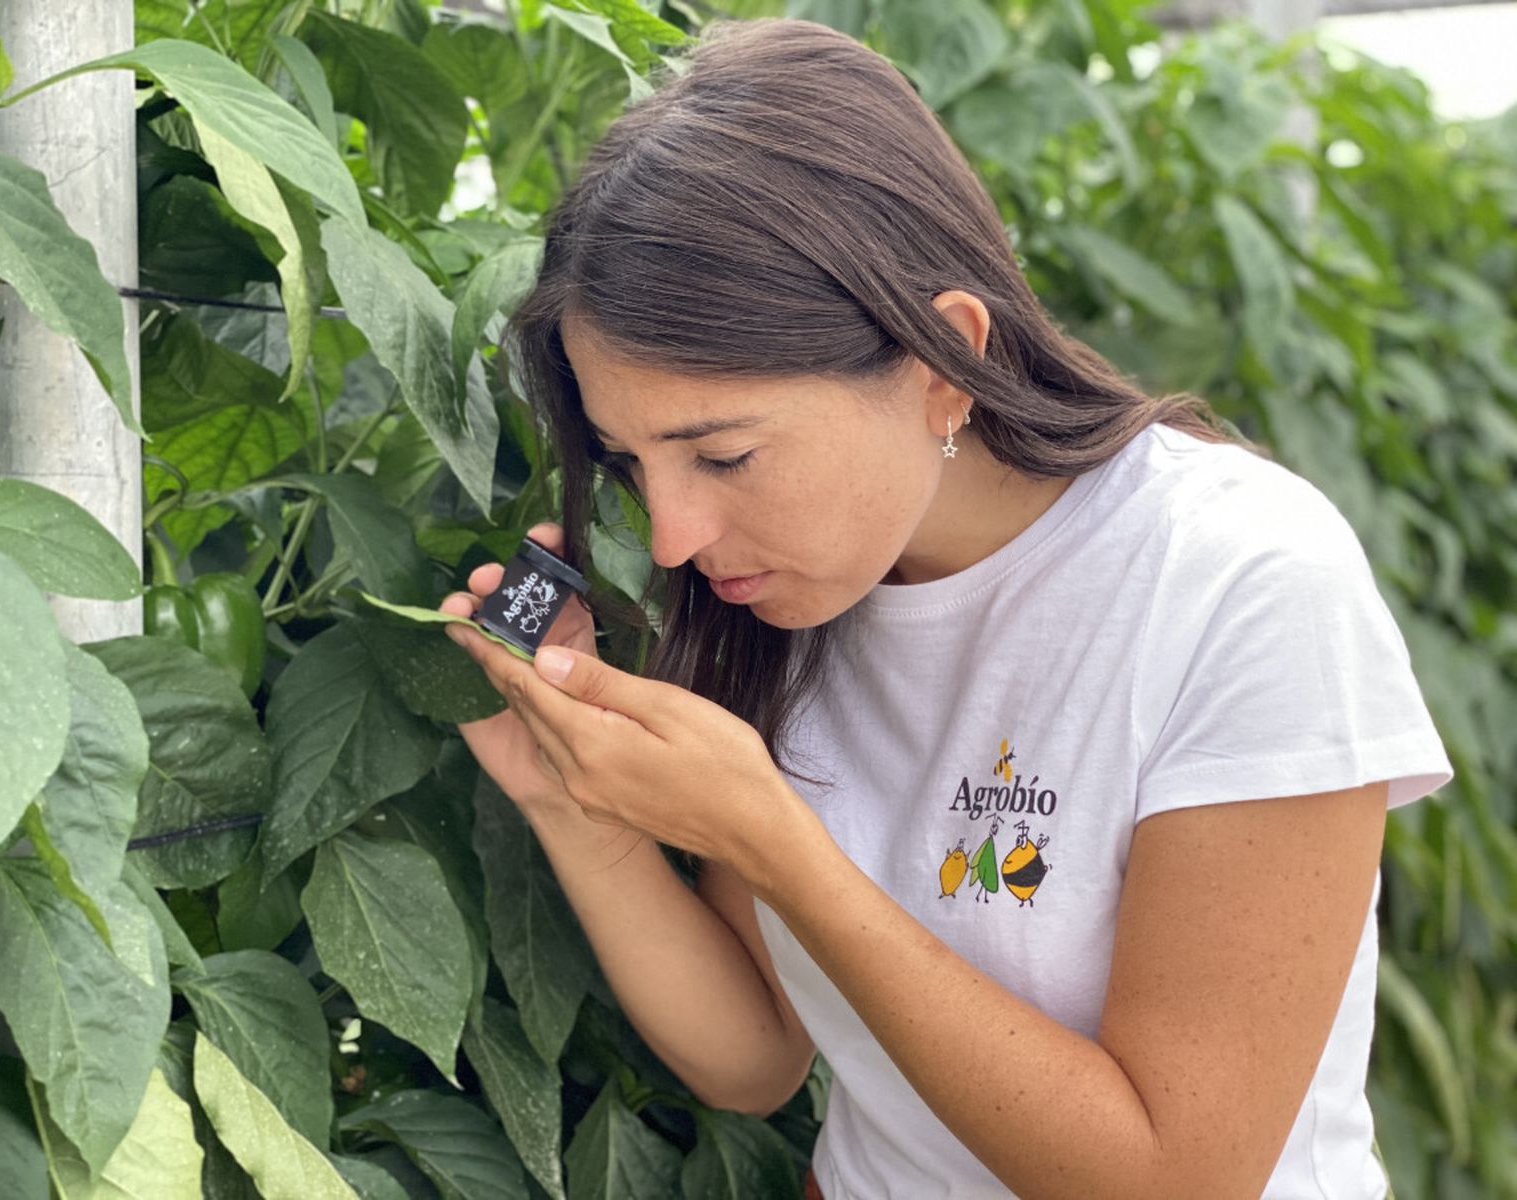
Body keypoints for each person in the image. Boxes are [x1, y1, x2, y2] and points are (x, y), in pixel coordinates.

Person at [437, 16, 1453, 1199]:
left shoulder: (1238, 581)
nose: (672, 537)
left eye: (721, 456)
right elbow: (757, 1055)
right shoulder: (794, 602)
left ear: (938, 360)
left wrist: (772, 837)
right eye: (626, 463)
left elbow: (1176, 1175)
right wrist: (577, 807)